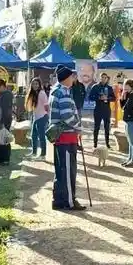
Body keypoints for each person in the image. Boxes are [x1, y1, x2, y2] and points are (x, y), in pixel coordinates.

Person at [48, 65, 86, 211]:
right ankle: (69, 201)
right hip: (66, 136)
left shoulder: (56, 91)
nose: (73, 79)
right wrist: (79, 127)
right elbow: (67, 116)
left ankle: (58, 200)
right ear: (66, 78)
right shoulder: (62, 92)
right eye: (71, 76)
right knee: (68, 172)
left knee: (61, 170)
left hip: (61, 137)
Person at [89, 73, 115, 149]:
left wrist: (107, 98)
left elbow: (114, 98)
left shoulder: (109, 88)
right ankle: (95, 143)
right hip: (98, 109)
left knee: (107, 127)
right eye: (102, 77)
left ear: (107, 78)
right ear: (99, 78)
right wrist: (99, 98)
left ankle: (107, 143)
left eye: (105, 77)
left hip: (106, 110)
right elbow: (90, 97)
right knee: (96, 127)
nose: (103, 79)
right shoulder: (95, 87)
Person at [26, 77, 50, 160]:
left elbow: (46, 106)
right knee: (33, 136)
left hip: (42, 117)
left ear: (40, 85)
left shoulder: (42, 93)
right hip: (36, 118)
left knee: (41, 136)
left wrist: (48, 117)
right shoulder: (34, 93)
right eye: (33, 84)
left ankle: (43, 155)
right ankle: (34, 152)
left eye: (36, 84)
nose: (34, 85)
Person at [0, 79, 14, 165]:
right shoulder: (1, 94)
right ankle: (1, 158)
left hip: (3, 121)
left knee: (4, 140)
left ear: (2, 86)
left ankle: (5, 159)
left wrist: (3, 123)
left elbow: (6, 110)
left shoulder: (7, 95)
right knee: (0, 140)